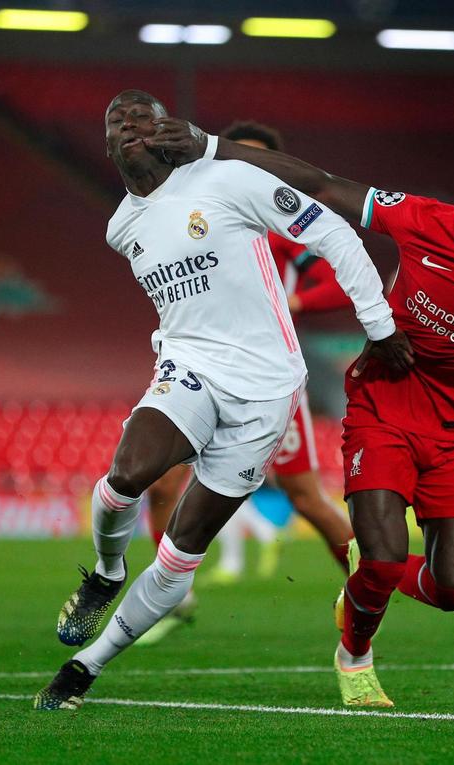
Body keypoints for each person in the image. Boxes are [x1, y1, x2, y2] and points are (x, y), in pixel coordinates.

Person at [146, 121, 454, 708]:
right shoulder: (425, 221)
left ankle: (365, 585)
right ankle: (355, 653)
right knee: (386, 555)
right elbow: (323, 184)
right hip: (381, 410)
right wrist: (209, 146)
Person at [31, 90, 412, 710]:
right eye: (114, 121)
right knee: (126, 476)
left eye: (141, 117)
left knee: (183, 554)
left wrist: (379, 324)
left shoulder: (229, 178)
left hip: (266, 389)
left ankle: (85, 668)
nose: (127, 125)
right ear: (105, 146)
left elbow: (336, 231)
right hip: (189, 366)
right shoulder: (120, 227)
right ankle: (105, 573)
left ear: (165, 132)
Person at [135, 121, 357, 647]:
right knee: (161, 483)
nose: (245, 168)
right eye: (236, 158)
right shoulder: (206, 216)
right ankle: (172, 597)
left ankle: (366, 588)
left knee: (306, 497)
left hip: (267, 379)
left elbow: (336, 281)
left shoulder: (283, 225)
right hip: (201, 371)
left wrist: (291, 302)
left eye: (257, 160)